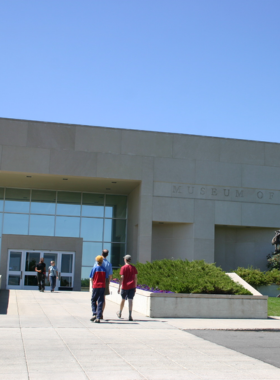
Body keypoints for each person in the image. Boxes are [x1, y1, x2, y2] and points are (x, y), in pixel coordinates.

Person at [116, 254, 138, 321]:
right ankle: (130, 315)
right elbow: (135, 278)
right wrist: (135, 286)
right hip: (132, 286)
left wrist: (119, 287)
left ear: (125, 260)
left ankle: (120, 312)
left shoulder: (123, 268)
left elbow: (122, 277)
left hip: (125, 286)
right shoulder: (133, 268)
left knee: (123, 299)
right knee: (130, 300)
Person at [93, 249, 113, 319]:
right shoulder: (109, 264)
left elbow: (94, 272)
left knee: (95, 297)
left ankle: (96, 312)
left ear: (102, 253)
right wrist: (109, 282)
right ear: (107, 255)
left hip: (97, 280)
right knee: (103, 298)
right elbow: (110, 275)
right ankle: (101, 313)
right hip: (105, 281)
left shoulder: (97, 262)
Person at [89, 255, 106, 323]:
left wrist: (92, 285)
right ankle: (98, 317)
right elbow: (105, 278)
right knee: (100, 301)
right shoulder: (104, 269)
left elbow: (91, 278)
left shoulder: (94, 268)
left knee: (93, 300)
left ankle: (94, 313)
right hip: (102, 286)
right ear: (102, 261)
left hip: (96, 286)